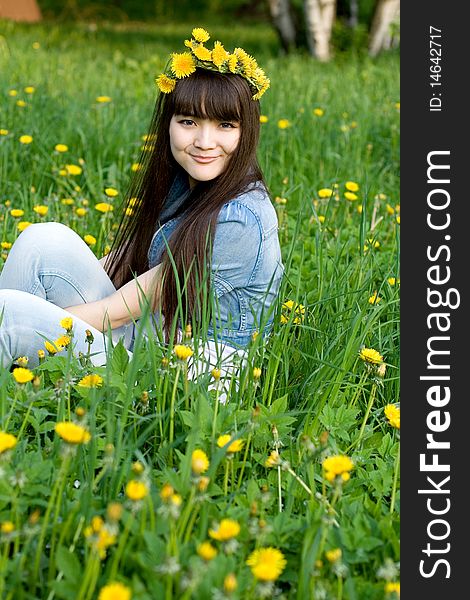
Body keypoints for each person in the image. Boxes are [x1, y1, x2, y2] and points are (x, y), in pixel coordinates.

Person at [0, 27, 284, 381]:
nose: (205, 141)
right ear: (168, 125)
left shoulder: (240, 219)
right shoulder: (186, 184)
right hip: (155, 341)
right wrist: (46, 317)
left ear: (246, 132)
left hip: (186, 379)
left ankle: (19, 377)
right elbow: (114, 268)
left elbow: (116, 312)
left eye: (225, 124)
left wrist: (37, 321)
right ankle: (23, 380)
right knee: (42, 240)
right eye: (188, 122)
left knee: (7, 314)